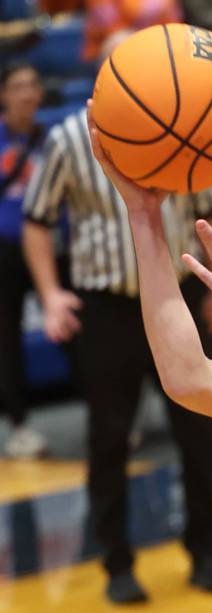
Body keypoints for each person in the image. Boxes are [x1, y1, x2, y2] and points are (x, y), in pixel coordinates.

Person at [21, 98, 212, 603]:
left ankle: (208, 553)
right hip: (107, 307)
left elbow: (209, 213)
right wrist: (51, 294)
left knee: (202, 431)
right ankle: (116, 563)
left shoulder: (182, 127)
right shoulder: (68, 137)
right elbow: (36, 220)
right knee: (109, 440)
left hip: (179, 298)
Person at [0, 61, 48, 459]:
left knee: (78, 325)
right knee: (6, 340)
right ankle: (18, 426)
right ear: (3, 95)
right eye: (18, 86)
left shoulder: (49, 136)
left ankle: (109, 413)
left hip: (48, 248)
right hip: (4, 252)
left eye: (32, 84)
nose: (27, 93)